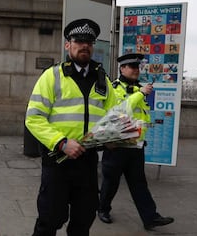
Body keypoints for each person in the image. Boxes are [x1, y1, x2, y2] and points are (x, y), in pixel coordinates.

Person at [25, 18, 117, 236]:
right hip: (58, 162)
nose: (85, 45)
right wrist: (62, 142)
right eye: (79, 40)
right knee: (49, 220)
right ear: (68, 45)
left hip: (87, 162)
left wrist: (114, 137)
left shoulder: (102, 79)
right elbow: (34, 117)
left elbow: (115, 117)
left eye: (90, 41)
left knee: (83, 221)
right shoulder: (52, 75)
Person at [98, 53, 174, 230]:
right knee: (111, 182)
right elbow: (118, 111)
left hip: (136, 146)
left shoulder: (139, 88)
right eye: (132, 67)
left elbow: (140, 116)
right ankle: (102, 209)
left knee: (139, 184)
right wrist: (139, 94)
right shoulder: (114, 87)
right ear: (122, 69)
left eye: (137, 67)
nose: (135, 70)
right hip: (117, 146)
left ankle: (150, 218)